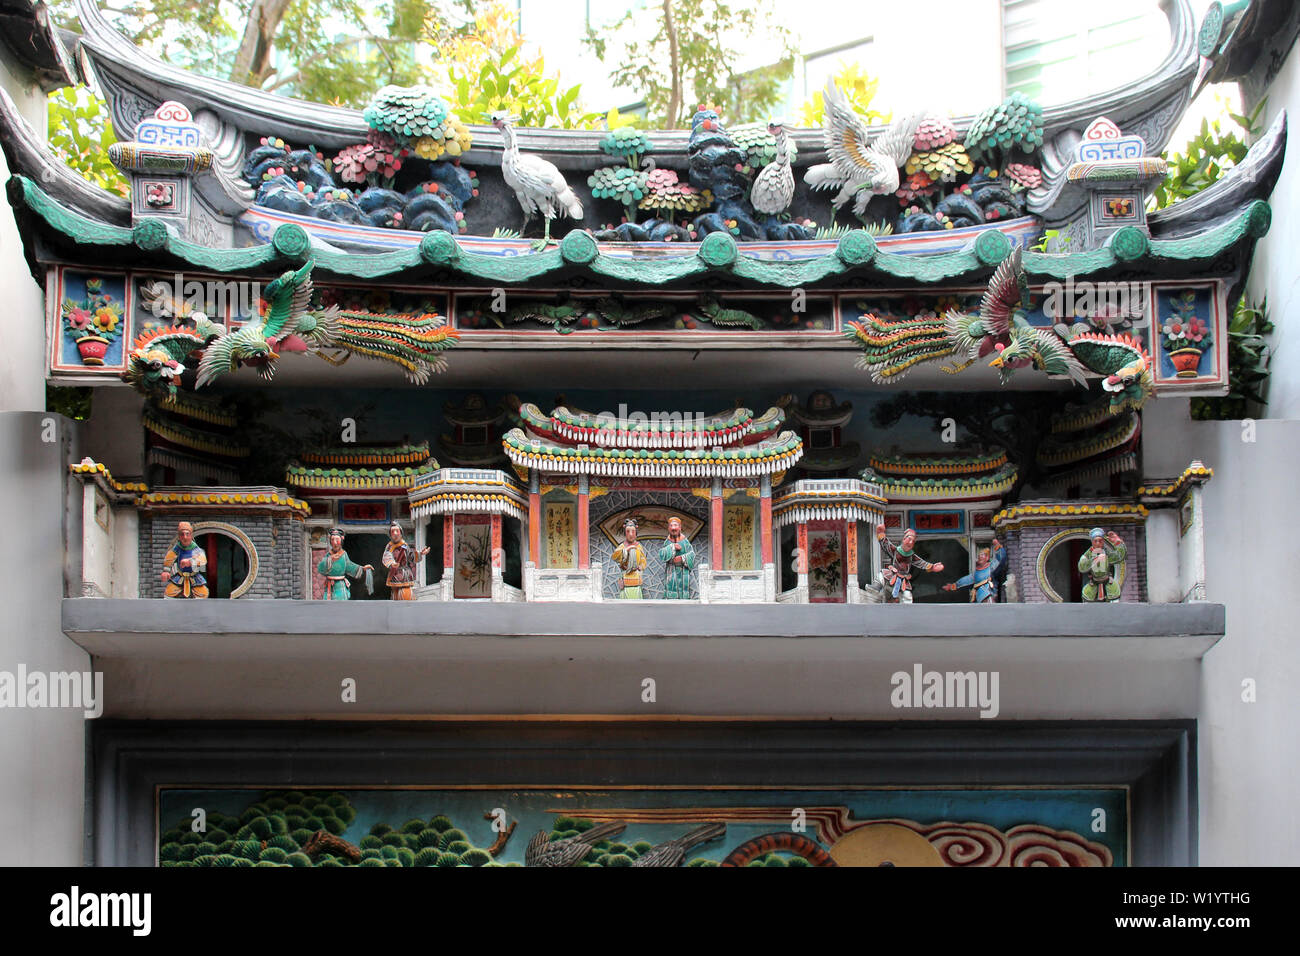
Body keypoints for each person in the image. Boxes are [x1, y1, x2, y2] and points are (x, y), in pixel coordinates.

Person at [875, 524, 944, 604]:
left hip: (903, 579)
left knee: (907, 595)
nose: (910, 542)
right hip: (892, 574)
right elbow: (886, 544)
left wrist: (932, 567)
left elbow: (921, 563)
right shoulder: (895, 551)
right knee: (881, 575)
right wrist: (880, 533)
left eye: (913, 541)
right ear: (904, 539)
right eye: (909, 539)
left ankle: (908, 609)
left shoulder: (912, 556)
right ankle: (875, 587)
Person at [316, 528, 373, 600]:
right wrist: (329, 560)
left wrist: (363, 568)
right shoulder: (328, 555)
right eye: (333, 540)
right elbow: (320, 569)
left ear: (341, 541)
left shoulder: (343, 554)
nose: (335, 543)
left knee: (342, 602)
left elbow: (349, 566)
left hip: (341, 585)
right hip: (330, 586)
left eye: (337, 540)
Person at [943, 538, 1005, 603]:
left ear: (987, 557)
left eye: (982, 555)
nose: (980, 556)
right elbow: (966, 580)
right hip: (978, 598)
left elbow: (1000, 560)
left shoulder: (991, 567)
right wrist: (954, 585)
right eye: (979, 555)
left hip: (988, 595)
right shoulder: (976, 573)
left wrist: (998, 548)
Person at [382, 521, 429, 601]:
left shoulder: (404, 545)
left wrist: (421, 553)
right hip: (395, 574)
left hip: (405, 573)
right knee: (395, 595)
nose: (396, 534)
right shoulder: (389, 546)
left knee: (406, 594)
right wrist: (392, 563)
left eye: (397, 531)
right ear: (390, 534)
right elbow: (387, 555)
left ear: (401, 533)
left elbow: (411, 556)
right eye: (393, 532)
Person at [160, 520, 208, 599]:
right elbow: (169, 558)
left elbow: (203, 560)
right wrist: (166, 571)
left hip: (194, 577)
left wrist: (190, 562)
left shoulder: (195, 548)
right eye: (182, 535)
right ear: (179, 536)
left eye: (187, 534)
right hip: (180, 577)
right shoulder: (177, 548)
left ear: (191, 535)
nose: (185, 537)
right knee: (169, 592)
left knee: (203, 593)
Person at [1079, 528, 1127, 602]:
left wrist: (1118, 543)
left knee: (1114, 594)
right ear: (1092, 542)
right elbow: (1082, 566)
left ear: (1103, 542)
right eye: (1095, 541)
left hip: (1108, 581)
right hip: (1093, 582)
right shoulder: (1088, 554)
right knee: (1087, 596)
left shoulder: (1106, 553)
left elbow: (1118, 557)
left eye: (1100, 541)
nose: (1098, 543)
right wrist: (1095, 560)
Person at [658, 515, 696, 599]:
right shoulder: (667, 541)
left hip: (683, 572)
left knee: (683, 590)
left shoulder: (685, 541)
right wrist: (672, 547)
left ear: (680, 527)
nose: (673, 528)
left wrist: (682, 559)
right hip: (671, 571)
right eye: (671, 526)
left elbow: (692, 555)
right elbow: (661, 554)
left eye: (675, 525)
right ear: (668, 528)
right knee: (671, 588)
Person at [611, 518, 647, 599]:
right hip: (625, 574)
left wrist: (640, 567)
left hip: (636, 575)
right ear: (625, 533)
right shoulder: (622, 546)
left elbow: (643, 559)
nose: (630, 534)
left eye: (633, 532)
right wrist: (626, 550)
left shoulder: (638, 546)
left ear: (636, 533)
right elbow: (614, 556)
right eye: (628, 532)